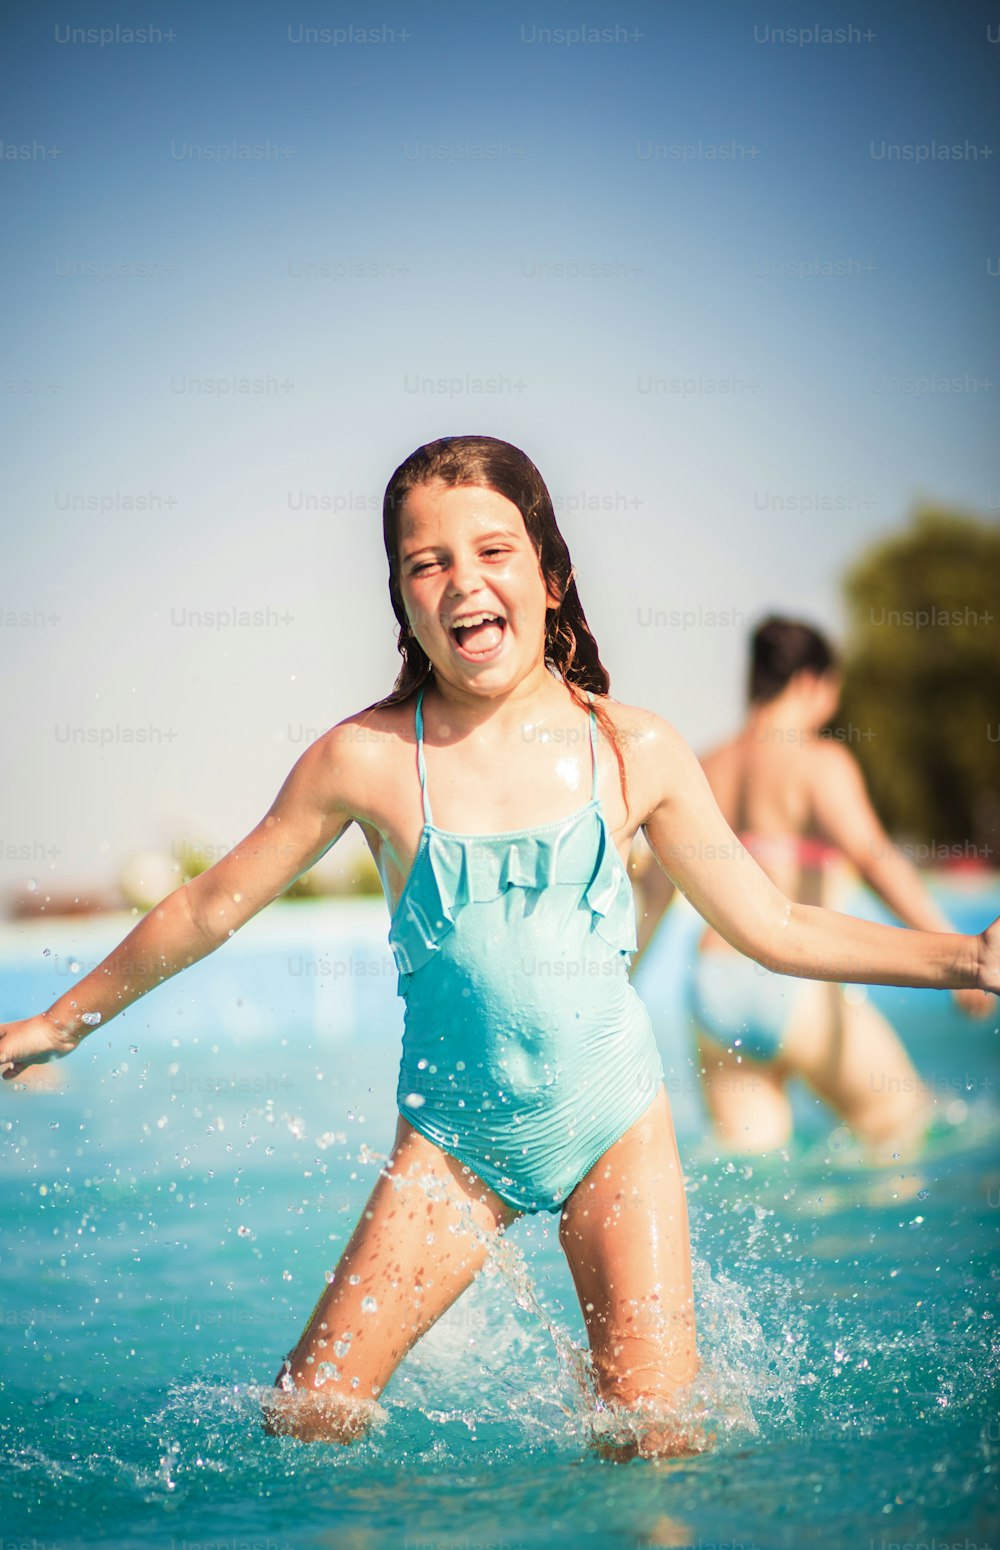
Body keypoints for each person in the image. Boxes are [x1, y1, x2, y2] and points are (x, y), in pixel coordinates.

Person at [1, 442, 996, 1460]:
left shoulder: (633, 748)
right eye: (424, 562)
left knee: (654, 1439)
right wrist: (54, 1023)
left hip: (615, 1127)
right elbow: (208, 906)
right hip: (448, 1151)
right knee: (307, 1418)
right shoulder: (369, 760)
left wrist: (964, 958)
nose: (462, 579)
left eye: (491, 548)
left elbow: (774, 924)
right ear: (400, 597)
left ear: (549, 574)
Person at [632, 615, 996, 1158]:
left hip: (712, 988)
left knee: (754, 1172)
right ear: (810, 682)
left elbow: (652, 900)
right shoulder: (818, 761)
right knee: (903, 1125)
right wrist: (957, 955)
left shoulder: (698, 767)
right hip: (796, 981)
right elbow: (875, 859)